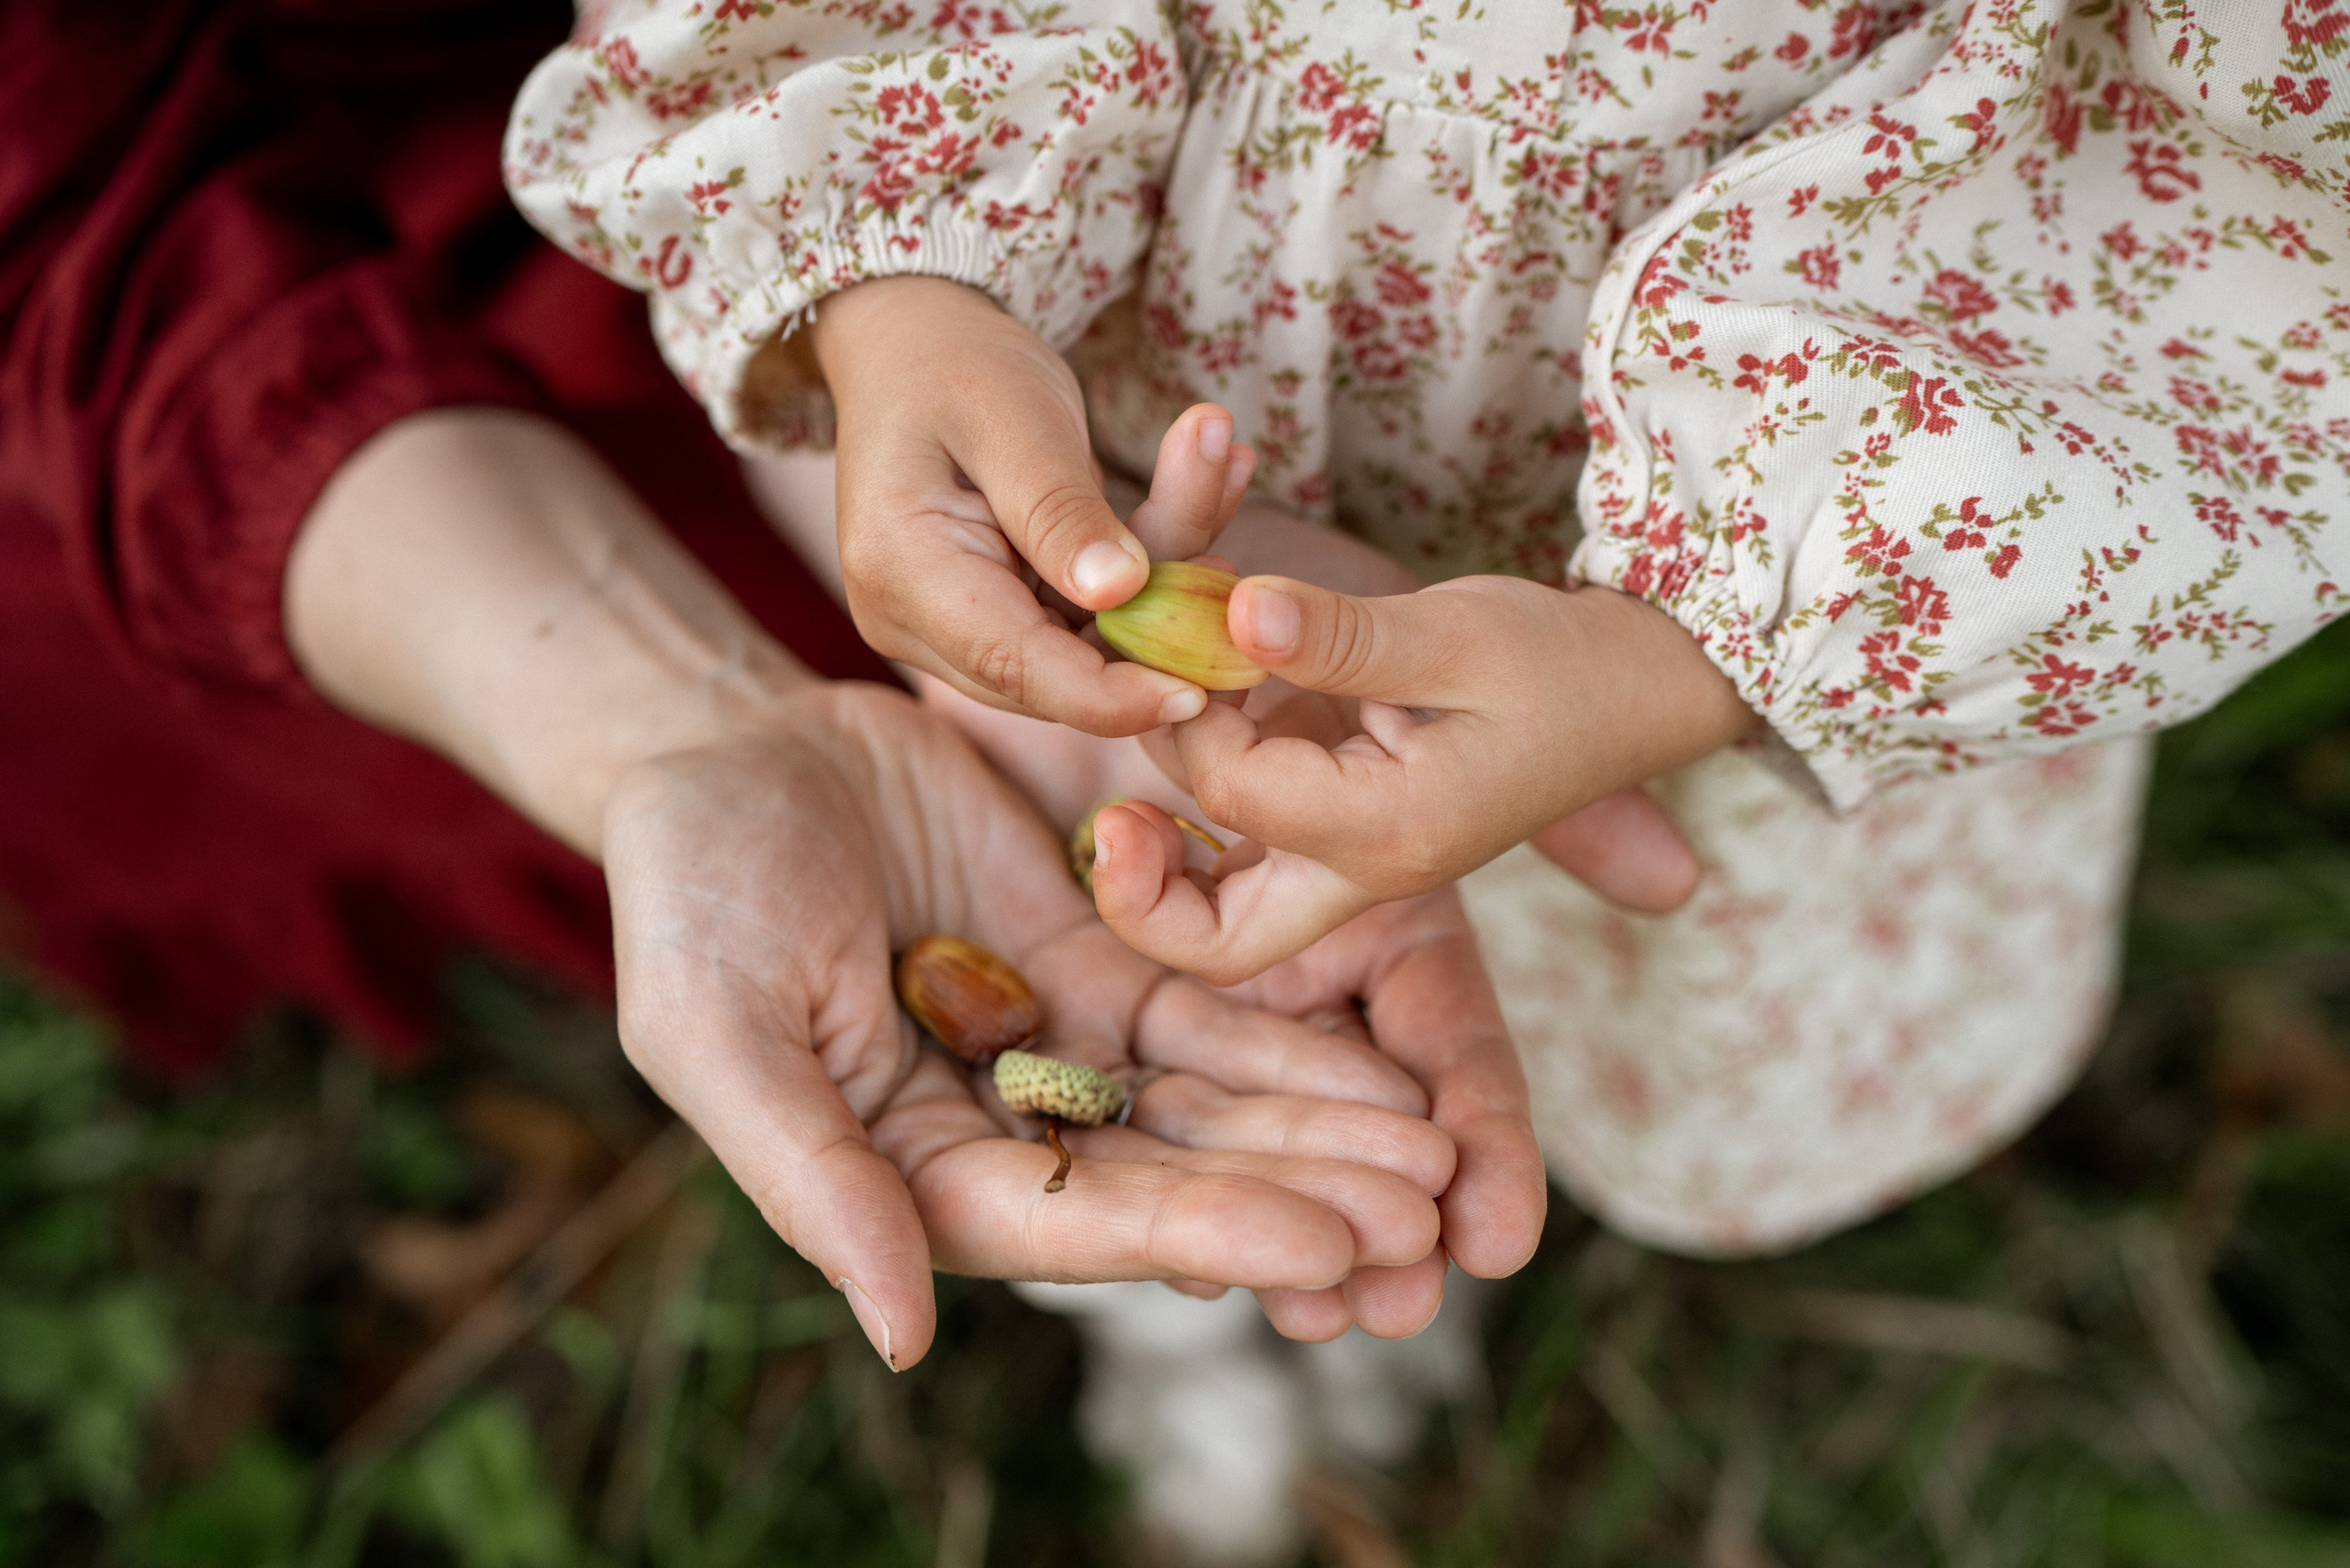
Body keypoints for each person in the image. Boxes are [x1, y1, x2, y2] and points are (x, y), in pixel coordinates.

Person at [507, 0, 2348, 1260]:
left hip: (1833, 451)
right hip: (1125, 366)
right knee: (1137, 891)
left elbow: (2255, 180)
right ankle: (1205, 1221)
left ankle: (1449, 1178)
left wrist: (1699, 642)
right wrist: (907, 276)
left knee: (1595, 963)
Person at [0, 0, 1550, 1383]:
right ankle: (1173, 1323)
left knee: (1127, 780)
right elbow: (70, 227)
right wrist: (678, 726)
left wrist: (914, 403)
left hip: (870, 225)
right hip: (389, 415)